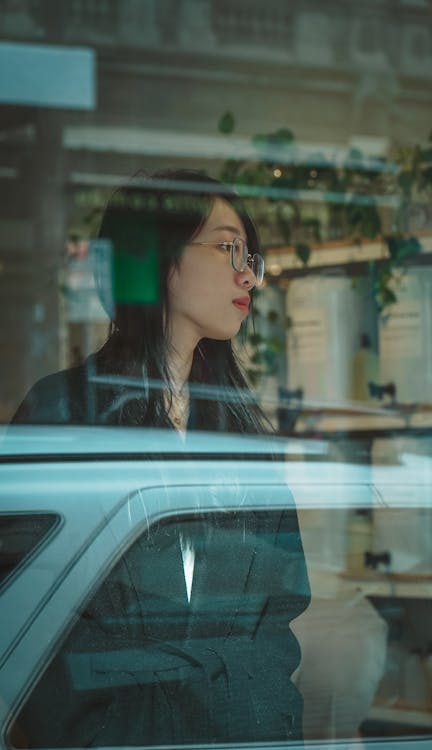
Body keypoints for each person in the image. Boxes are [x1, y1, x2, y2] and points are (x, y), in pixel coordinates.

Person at [11, 170, 311, 747]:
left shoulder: (242, 434)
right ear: (157, 258)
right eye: (229, 248)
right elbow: (29, 617)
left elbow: (278, 618)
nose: (248, 272)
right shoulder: (63, 414)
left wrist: (263, 722)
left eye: (252, 257)